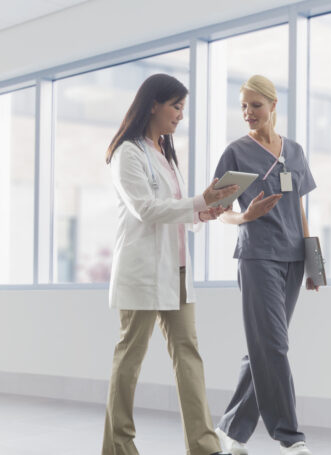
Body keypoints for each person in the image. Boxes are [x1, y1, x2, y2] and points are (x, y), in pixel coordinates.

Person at [102, 73, 237, 455]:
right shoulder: (127, 153)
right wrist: (198, 202)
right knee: (130, 359)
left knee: (188, 355)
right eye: (176, 106)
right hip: (142, 272)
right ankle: (118, 447)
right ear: (153, 105)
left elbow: (176, 211)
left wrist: (205, 212)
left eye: (182, 108)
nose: (180, 115)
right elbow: (145, 210)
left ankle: (204, 446)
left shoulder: (165, 153)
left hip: (176, 271)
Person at [212, 75, 319, 455]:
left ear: (274, 106)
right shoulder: (236, 153)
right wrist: (246, 216)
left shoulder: (295, 152)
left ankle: (230, 431)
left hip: (293, 259)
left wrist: (314, 264)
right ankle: (290, 438)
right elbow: (218, 210)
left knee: (263, 348)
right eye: (243, 106)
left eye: (255, 105)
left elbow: (299, 208)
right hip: (257, 256)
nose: (248, 113)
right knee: (274, 345)